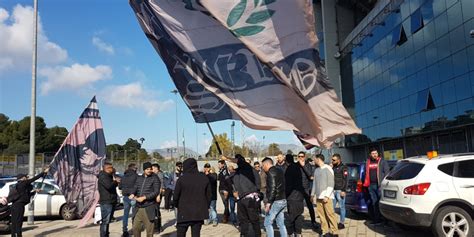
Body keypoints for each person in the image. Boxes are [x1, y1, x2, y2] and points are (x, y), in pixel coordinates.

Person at [223, 154, 261, 237]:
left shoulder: (248, 168)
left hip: (250, 198)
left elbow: (258, 184)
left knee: (254, 219)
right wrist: (233, 191)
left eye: (237, 160)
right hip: (240, 199)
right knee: (243, 220)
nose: (236, 161)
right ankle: (243, 234)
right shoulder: (236, 172)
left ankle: (258, 234)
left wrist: (227, 158)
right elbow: (229, 181)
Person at [173, 158, 212, 237]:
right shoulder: (204, 178)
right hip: (198, 212)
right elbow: (209, 195)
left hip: (184, 212)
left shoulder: (181, 179)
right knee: (196, 234)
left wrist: (177, 205)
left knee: (180, 234)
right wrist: (206, 206)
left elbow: (175, 196)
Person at [10, 167, 49, 237]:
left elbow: (26, 195)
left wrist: (35, 191)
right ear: (22, 178)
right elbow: (34, 179)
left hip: (14, 206)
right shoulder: (23, 183)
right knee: (18, 222)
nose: (27, 178)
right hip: (19, 206)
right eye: (25, 177)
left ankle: (13, 235)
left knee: (14, 222)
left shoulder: (18, 185)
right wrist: (44, 172)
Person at [129, 162, 161, 237]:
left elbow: (156, 191)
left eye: (150, 169)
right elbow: (135, 187)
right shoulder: (139, 178)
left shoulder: (155, 178)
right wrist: (132, 193)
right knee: (135, 228)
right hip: (138, 207)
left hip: (149, 207)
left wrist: (144, 197)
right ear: (144, 170)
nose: (149, 170)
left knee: (149, 231)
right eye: (147, 169)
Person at [312, 154, 338, 237]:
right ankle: (325, 231)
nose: (313, 161)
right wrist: (312, 194)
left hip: (327, 197)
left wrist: (327, 196)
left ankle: (334, 232)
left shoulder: (328, 168)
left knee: (330, 214)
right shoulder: (316, 170)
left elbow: (331, 183)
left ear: (318, 159)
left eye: (314, 159)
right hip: (319, 196)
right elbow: (314, 184)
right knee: (321, 215)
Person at [363, 148, 390, 225]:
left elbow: (387, 173)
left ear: (378, 154)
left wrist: (383, 184)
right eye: (373, 153)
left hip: (379, 186)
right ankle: (377, 220)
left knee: (381, 203)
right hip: (370, 185)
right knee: (374, 203)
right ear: (370, 154)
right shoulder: (368, 162)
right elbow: (365, 173)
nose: (374, 155)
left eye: (376, 153)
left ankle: (385, 220)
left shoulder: (382, 161)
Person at [262, 157, 287, 237]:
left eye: (263, 165)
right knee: (281, 224)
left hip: (276, 200)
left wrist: (269, 203)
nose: (262, 167)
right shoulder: (280, 170)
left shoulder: (271, 172)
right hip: (283, 199)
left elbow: (273, 188)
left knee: (267, 223)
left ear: (267, 164)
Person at [297, 151, 318, 230]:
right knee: (298, 206)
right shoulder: (296, 165)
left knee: (310, 206)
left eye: (302, 156)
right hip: (298, 189)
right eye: (299, 156)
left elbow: (310, 175)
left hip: (306, 188)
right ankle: (298, 222)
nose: (300, 158)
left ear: (304, 157)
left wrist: (303, 166)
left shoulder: (308, 165)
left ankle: (313, 221)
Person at [285, 154, 305, 237]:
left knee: (291, 217)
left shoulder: (289, 169)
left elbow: (288, 184)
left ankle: (291, 233)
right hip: (299, 196)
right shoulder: (297, 167)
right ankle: (298, 233)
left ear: (286, 161)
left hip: (292, 197)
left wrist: (286, 194)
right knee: (298, 216)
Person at [98, 162, 119, 237]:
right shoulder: (103, 176)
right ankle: (103, 235)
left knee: (108, 221)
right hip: (106, 201)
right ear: (106, 168)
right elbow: (109, 186)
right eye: (111, 168)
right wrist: (116, 182)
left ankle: (106, 234)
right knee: (105, 221)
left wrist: (115, 179)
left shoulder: (109, 176)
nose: (112, 169)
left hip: (111, 200)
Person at [120, 163, 138, 237]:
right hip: (133, 196)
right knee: (135, 214)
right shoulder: (136, 176)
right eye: (136, 168)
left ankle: (125, 230)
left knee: (125, 214)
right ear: (134, 168)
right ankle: (135, 229)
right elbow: (138, 186)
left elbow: (120, 186)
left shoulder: (124, 176)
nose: (137, 169)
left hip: (125, 197)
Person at [331, 154, 348, 229]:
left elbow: (346, 179)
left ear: (339, 160)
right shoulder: (333, 167)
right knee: (331, 208)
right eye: (332, 159)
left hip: (340, 190)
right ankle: (332, 222)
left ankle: (342, 223)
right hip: (333, 190)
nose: (332, 161)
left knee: (342, 207)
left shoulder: (344, 167)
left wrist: (343, 190)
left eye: (334, 160)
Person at [152, 163, 164, 233]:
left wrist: (158, 195)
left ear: (157, 168)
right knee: (155, 210)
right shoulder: (155, 175)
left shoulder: (160, 175)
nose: (152, 170)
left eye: (153, 168)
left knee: (156, 210)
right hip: (154, 194)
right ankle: (157, 226)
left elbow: (161, 186)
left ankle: (158, 227)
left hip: (157, 195)